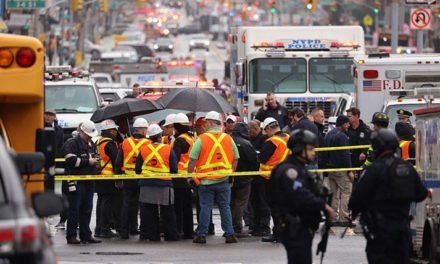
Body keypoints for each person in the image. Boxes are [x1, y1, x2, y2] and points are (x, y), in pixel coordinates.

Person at [349, 129, 427, 264]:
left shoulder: (374, 170)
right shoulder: (407, 167)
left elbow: (356, 199)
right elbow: (421, 194)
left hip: (380, 231)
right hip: (402, 229)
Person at [271, 129, 335, 264]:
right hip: (294, 227)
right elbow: (301, 195)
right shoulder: (289, 170)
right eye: (310, 149)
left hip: (304, 226)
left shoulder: (300, 168)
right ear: (299, 149)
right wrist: (324, 206)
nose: (313, 152)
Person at [188, 111, 239, 244]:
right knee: (225, 207)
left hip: (206, 181)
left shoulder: (202, 139)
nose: (204, 125)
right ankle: (230, 234)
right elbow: (236, 157)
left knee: (205, 207)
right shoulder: (228, 138)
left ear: (211, 122)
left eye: (206, 122)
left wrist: (189, 175)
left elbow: (192, 159)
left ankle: (201, 234)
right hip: (224, 179)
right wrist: (231, 173)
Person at [135, 124, 180, 242]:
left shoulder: (143, 149)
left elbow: (138, 169)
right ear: (160, 136)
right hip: (164, 184)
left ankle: (152, 236)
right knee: (168, 212)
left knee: (149, 212)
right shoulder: (168, 149)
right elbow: (174, 168)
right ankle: (171, 236)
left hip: (147, 184)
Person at [64, 120, 101, 244]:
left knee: (87, 208)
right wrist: (87, 162)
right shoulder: (72, 143)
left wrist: (96, 160)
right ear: (82, 133)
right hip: (76, 180)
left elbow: (95, 156)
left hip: (89, 180)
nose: (90, 137)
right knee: (74, 209)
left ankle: (86, 235)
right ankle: (71, 236)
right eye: (88, 135)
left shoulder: (91, 144)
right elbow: (70, 160)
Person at [115, 117, 150, 239]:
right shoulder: (148, 143)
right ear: (144, 130)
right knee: (140, 204)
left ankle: (124, 231)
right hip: (141, 177)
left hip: (127, 177)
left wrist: (118, 178)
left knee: (126, 204)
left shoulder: (125, 142)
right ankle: (136, 228)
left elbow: (118, 161)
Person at [258, 117, 290, 242]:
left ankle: (278, 234)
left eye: (265, 131)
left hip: (271, 179)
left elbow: (262, 159)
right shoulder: (288, 138)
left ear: (269, 128)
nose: (265, 134)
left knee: (275, 208)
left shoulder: (271, 142)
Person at [323, 115, 353, 223]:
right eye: (347, 123)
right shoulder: (342, 136)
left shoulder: (328, 135)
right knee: (346, 191)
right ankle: (344, 217)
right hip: (341, 169)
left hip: (330, 169)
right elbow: (345, 155)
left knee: (334, 194)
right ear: (343, 124)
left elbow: (324, 153)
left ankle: (332, 217)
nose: (349, 125)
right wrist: (349, 171)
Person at [95, 119, 121, 239]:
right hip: (108, 177)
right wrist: (118, 178)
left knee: (101, 203)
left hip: (100, 176)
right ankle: (105, 230)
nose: (116, 132)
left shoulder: (99, 142)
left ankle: (99, 229)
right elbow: (116, 160)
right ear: (110, 131)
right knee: (107, 204)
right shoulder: (110, 144)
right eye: (115, 130)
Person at [230, 122, 257, 237]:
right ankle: (237, 227)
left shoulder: (227, 140)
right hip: (244, 178)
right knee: (240, 204)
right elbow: (253, 161)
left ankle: (229, 227)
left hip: (228, 177)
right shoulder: (246, 144)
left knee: (230, 203)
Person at [171, 113, 195, 239]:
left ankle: (179, 230)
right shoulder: (190, 138)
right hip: (188, 176)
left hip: (179, 177)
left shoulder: (179, 140)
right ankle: (188, 231)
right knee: (187, 207)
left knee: (178, 207)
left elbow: (175, 158)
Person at [248, 120, 271, 236]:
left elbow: (262, 157)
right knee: (255, 202)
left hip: (262, 177)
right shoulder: (252, 139)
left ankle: (264, 226)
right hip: (254, 176)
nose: (248, 132)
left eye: (250, 130)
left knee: (263, 202)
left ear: (256, 129)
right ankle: (256, 225)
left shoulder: (264, 140)